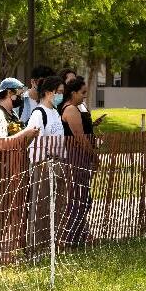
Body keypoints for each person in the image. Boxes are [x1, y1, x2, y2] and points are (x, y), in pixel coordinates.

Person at [0, 77, 40, 270]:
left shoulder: (11, 114)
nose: (21, 97)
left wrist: (28, 136)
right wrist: (25, 133)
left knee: (7, 216)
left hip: (10, 168)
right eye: (19, 94)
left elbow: (15, 142)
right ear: (9, 93)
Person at [27, 76, 67, 256]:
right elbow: (35, 143)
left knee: (56, 206)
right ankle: (36, 247)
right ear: (48, 92)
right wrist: (43, 162)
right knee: (41, 206)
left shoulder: (56, 112)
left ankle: (51, 243)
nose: (60, 95)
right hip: (43, 165)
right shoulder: (39, 113)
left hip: (58, 164)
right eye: (58, 92)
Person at [60, 76, 95, 246]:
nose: (84, 96)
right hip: (77, 157)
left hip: (78, 157)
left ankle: (78, 236)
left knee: (83, 199)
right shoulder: (71, 110)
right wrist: (94, 156)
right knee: (79, 199)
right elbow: (80, 138)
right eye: (82, 93)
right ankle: (72, 238)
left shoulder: (73, 108)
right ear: (73, 93)